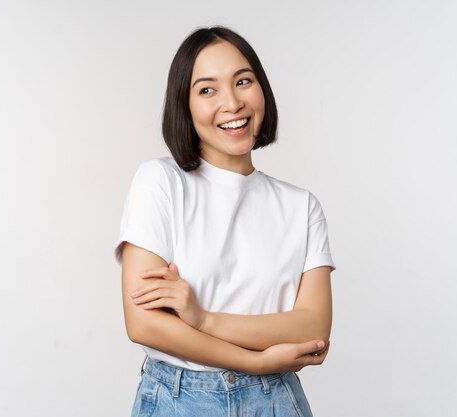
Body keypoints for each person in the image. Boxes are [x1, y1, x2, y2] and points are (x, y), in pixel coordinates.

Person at [114, 26, 335, 417]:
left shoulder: (301, 207)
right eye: (207, 89)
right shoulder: (160, 182)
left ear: (261, 89)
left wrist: (202, 318)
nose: (232, 103)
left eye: (243, 81)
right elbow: (144, 324)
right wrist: (256, 361)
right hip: (180, 400)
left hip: (276, 401)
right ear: (184, 105)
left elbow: (312, 327)